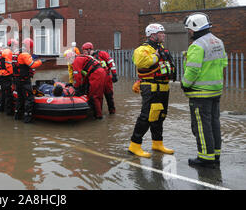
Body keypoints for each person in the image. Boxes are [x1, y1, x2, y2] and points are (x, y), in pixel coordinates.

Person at [182, 13, 227, 168]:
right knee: (214, 123)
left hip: (200, 93)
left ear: (195, 27)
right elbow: (224, 63)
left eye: (189, 29)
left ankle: (205, 158)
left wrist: (184, 84)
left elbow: (192, 71)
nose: (189, 32)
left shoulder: (197, 45)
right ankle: (215, 155)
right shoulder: (218, 42)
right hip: (216, 91)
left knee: (202, 126)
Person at [128, 23, 175, 158]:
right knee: (147, 116)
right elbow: (142, 63)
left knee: (160, 115)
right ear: (152, 35)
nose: (163, 35)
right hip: (151, 86)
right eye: (161, 33)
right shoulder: (142, 49)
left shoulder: (160, 48)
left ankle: (157, 143)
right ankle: (134, 145)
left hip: (163, 86)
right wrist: (156, 56)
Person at [82, 42, 118, 114]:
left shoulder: (101, 54)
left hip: (106, 78)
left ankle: (112, 112)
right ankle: (99, 113)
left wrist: (114, 74)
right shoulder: (87, 59)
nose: (84, 53)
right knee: (98, 97)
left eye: (85, 51)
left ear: (89, 49)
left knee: (109, 95)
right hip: (96, 80)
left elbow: (111, 62)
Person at [14, 38, 42, 123]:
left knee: (20, 98)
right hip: (24, 81)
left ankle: (17, 117)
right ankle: (27, 119)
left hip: (18, 80)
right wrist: (40, 61)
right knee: (29, 99)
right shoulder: (25, 54)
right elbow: (32, 64)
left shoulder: (17, 52)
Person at [72, 54, 106, 119]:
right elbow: (85, 74)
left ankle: (98, 116)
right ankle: (99, 113)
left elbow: (77, 76)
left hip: (96, 74)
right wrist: (83, 85)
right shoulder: (82, 57)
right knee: (99, 95)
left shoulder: (76, 60)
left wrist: (77, 88)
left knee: (94, 96)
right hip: (101, 72)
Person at [0, 46, 14, 115]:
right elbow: (10, 69)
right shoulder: (8, 57)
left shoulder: (1, 57)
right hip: (6, 77)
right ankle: (8, 112)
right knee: (8, 95)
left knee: (2, 93)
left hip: (1, 75)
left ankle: (1, 109)